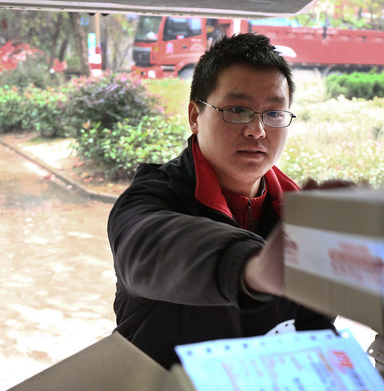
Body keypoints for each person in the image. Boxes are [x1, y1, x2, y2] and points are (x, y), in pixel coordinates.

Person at [107, 33, 335, 369]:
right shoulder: (151, 199)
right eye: (238, 110)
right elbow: (146, 247)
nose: (257, 130)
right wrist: (251, 267)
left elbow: (316, 333)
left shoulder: (299, 216)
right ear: (195, 116)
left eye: (273, 113)